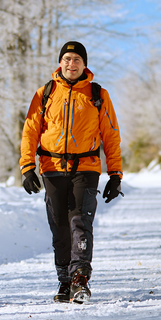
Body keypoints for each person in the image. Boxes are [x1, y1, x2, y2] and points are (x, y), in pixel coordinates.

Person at [19, 40, 123, 304]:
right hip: (51, 168)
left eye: (77, 59)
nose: (71, 64)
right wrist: (27, 166)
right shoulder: (45, 93)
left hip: (86, 168)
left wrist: (115, 174)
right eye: (67, 59)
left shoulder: (97, 94)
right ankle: (64, 281)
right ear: (60, 62)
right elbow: (30, 131)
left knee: (80, 222)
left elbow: (111, 135)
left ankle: (80, 279)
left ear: (84, 64)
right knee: (60, 228)